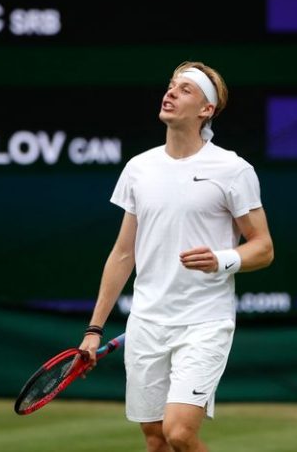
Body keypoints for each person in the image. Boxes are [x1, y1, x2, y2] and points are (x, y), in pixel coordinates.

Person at [79, 60, 274, 452]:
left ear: (206, 109)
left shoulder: (233, 169)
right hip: (146, 323)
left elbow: (263, 247)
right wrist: (93, 330)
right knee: (156, 440)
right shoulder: (139, 168)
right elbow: (123, 254)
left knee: (180, 434)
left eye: (185, 89)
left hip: (205, 321)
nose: (170, 93)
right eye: (171, 85)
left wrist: (222, 259)